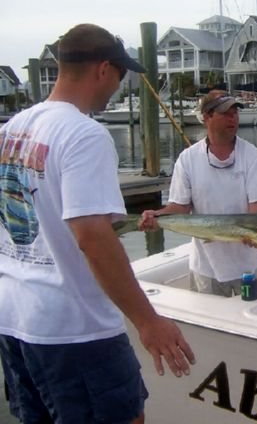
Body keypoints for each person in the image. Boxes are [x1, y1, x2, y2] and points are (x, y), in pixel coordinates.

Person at [0, 23, 195, 424]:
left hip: (15, 321)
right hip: (75, 329)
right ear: (104, 69)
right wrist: (147, 321)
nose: (118, 88)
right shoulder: (83, 134)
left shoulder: (12, 130)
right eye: (120, 76)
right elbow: (92, 236)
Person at [138, 91, 257, 297]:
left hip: (249, 265)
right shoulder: (187, 159)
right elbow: (180, 207)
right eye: (225, 113)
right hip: (206, 267)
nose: (233, 119)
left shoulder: (252, 156)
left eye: (235, 113)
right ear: (206, 117)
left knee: (255, 315)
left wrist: (253, 231)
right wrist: (157, 216)